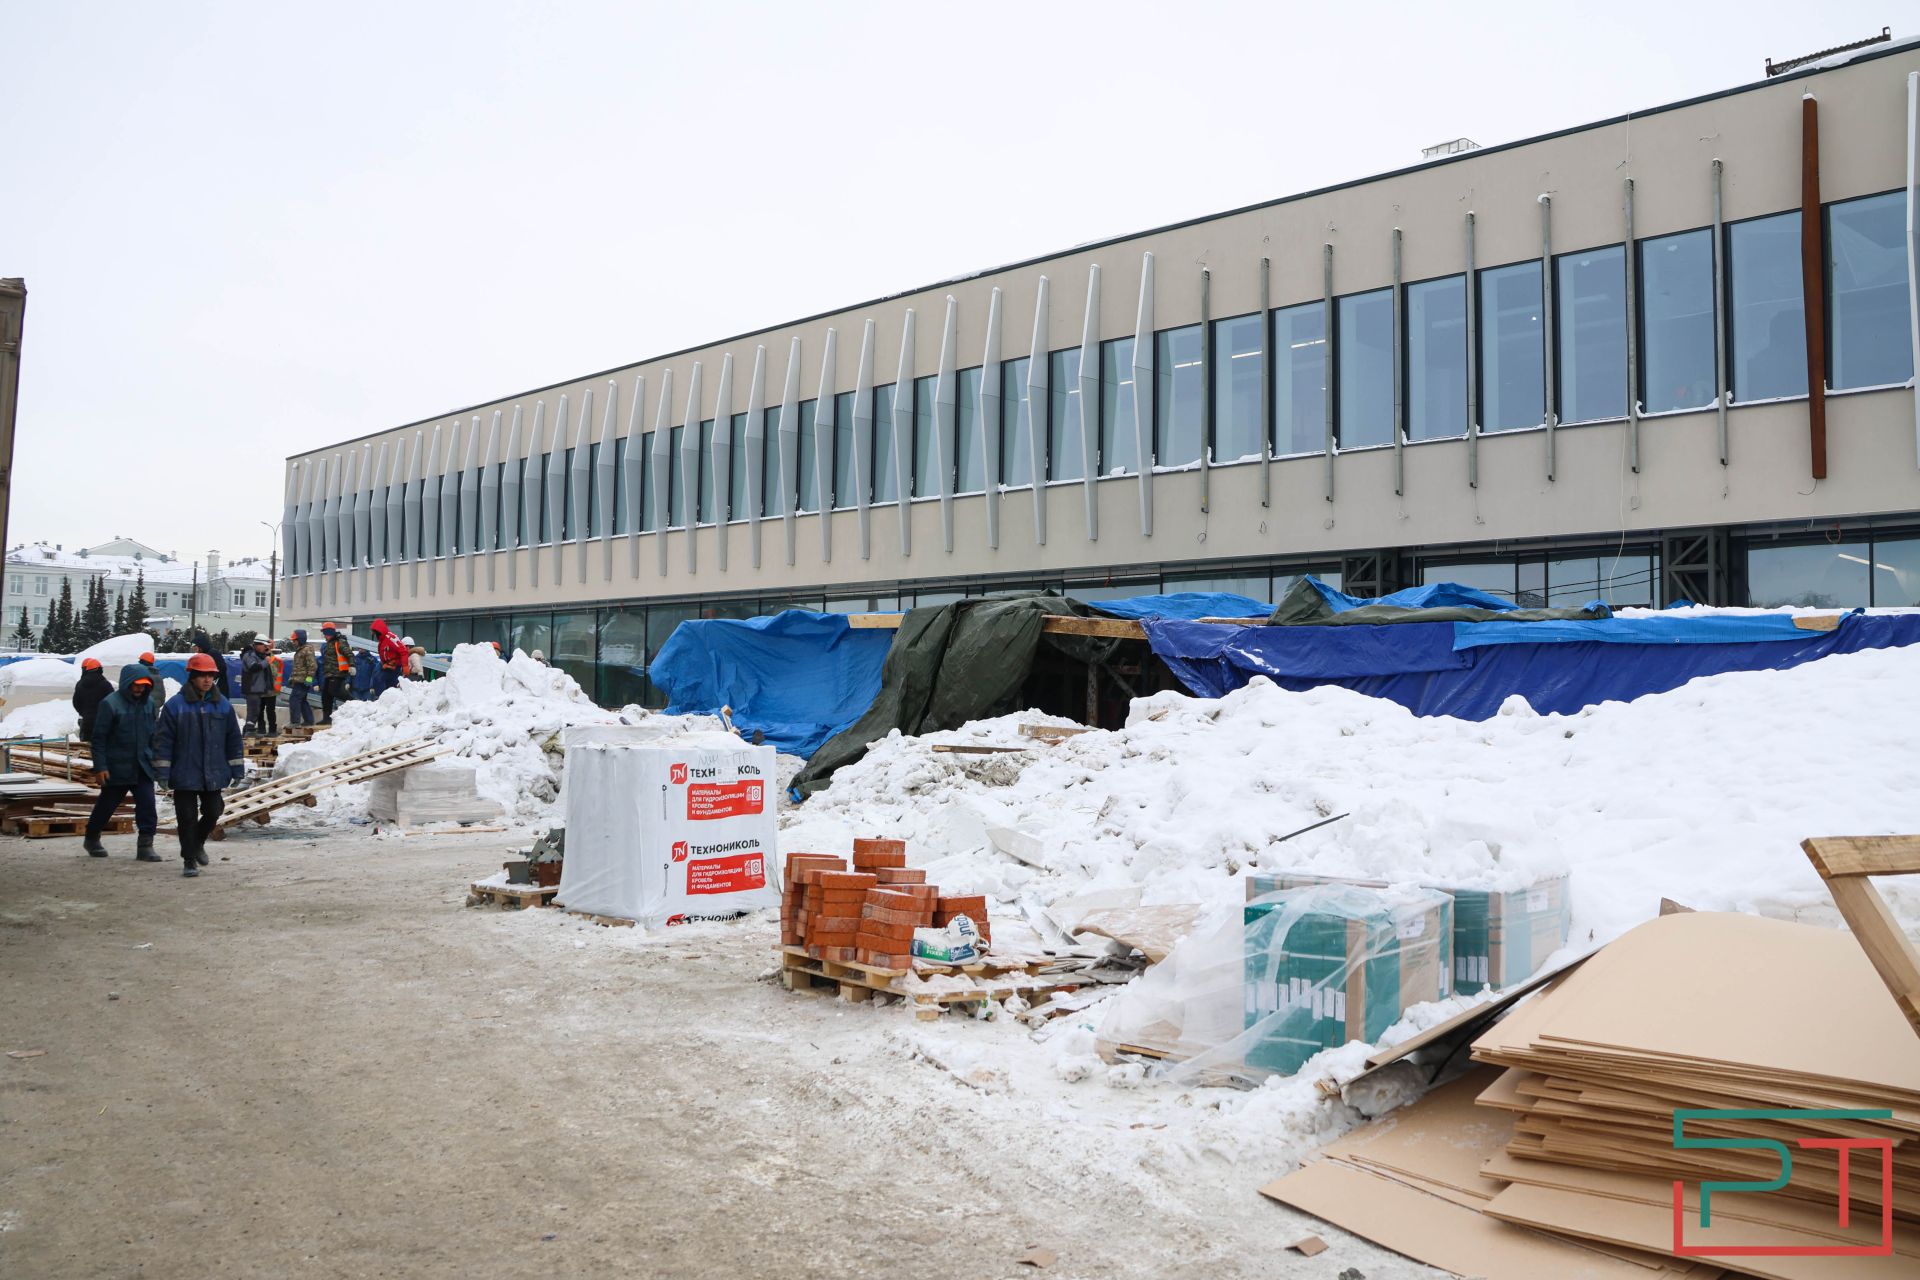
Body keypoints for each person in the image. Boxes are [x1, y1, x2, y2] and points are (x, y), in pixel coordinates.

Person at [154, 652, 244, 878]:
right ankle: (189, 859)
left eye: (211, 676)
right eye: (202, 675)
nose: (207, 680)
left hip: (213, 771)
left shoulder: (222, 705)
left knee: (214, 810)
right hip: (185, 772)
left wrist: (237, 768)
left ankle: (198, 843)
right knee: (186, 818)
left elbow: (233, 738)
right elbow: (163, 741)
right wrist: (162, 771)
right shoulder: (175, 706)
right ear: (192, 676)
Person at [84, 662, 162, 860]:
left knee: (148, 805)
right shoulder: (110, 704)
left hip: (142, 765)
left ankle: (145, 846)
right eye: (135, 684)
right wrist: (100, 766)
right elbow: (99, 738)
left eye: (143, 685)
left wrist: (157, 760)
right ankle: (92, 837)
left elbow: (154, 736)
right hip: (117, 766)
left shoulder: (149, 704)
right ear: (127, 683)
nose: (139, 688)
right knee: (106, 806)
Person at [240, 636, 276, 735]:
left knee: (255, 710)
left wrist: (267, 656)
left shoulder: (261, 655)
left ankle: (248, 730)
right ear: (258, 645)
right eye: (264, 646)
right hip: (252, 687)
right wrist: (266, 661)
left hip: (259, 688)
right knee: (253, 710)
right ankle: (249, 731)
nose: (266, 648)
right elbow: (254, 667)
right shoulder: (250, 655)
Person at [71, 657, 113, 742]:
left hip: (86, 722)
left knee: (86, 747)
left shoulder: (80, 684)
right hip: (103, 722)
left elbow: (76, 702)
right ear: (99, 669)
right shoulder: (105, 684)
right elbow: (113, 701)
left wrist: (84, 713)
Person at [318, 623, 353, 722]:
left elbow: (349, 654)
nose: (324, 636)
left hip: (338, 673)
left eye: (325, 633)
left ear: (329, 632)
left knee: (335, 691)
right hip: (329, 673)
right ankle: (326, 718)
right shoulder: (329, 643)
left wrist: (352, 665)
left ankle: (355, 702)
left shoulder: (340, 641)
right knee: (325, 696)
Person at [285, 629, 316, 727]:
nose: (293, 642)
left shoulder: (306, 650)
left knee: (294, 699)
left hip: (302, 680)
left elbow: (313, 665)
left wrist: (309, 678)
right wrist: (291, 679)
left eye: (295, 640)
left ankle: (295, 722)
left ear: (300, 640)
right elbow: (298, 667)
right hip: (299, 680)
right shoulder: (301, 650)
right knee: (302, 700)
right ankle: (309, 721)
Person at [191, 630, 232, 700]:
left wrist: (211, 677)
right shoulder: (202, 656)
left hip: (219, 689)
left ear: (201, 646)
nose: (194, 650)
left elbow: (222, 668)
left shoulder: (213, 653)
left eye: (195, 647)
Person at [369, 618, 406, 693]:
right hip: (387, 667)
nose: (374, 635)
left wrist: (405, 666)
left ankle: (383, 698)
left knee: (381, 679)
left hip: (395, 667)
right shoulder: (381, 641)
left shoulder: (391, 638)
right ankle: (383, 699)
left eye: (375, 632)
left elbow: (403, 651)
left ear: (378, 631)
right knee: (379, 678)